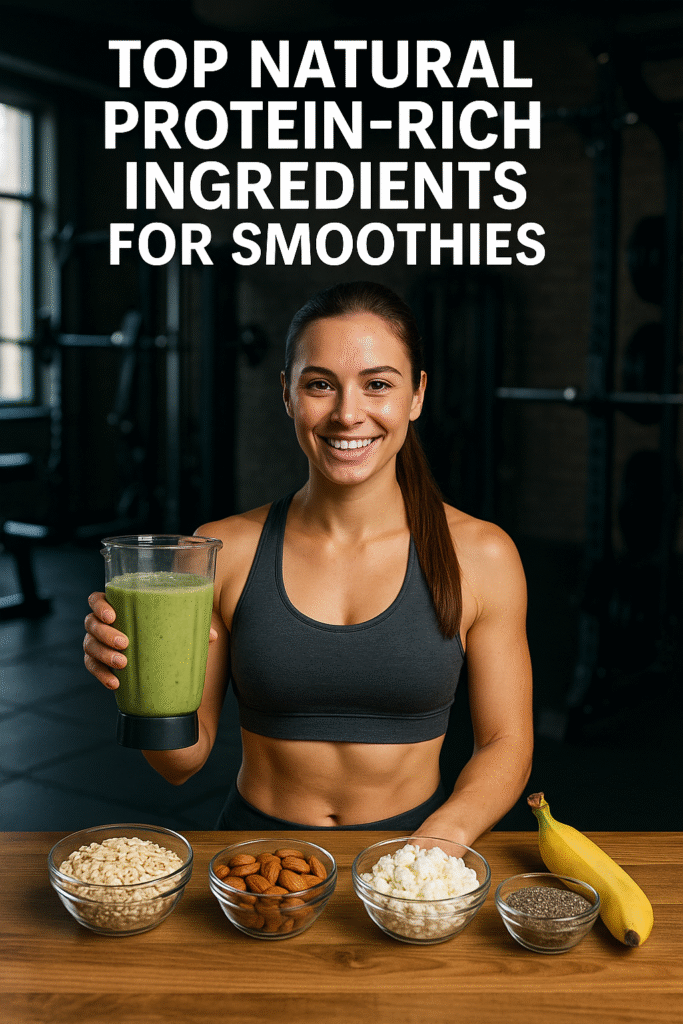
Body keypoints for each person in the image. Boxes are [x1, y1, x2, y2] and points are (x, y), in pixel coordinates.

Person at [83, 281, 533, 844]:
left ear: (416, 395)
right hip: (255, 862)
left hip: (415, 856)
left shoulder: (481, 554)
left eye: (377, 385)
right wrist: (137, 676)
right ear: (288, 395)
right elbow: (182, 763)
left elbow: (506, 744)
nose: (349, 414)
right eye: (320, 384)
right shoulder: (223, 550)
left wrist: (439, 844)